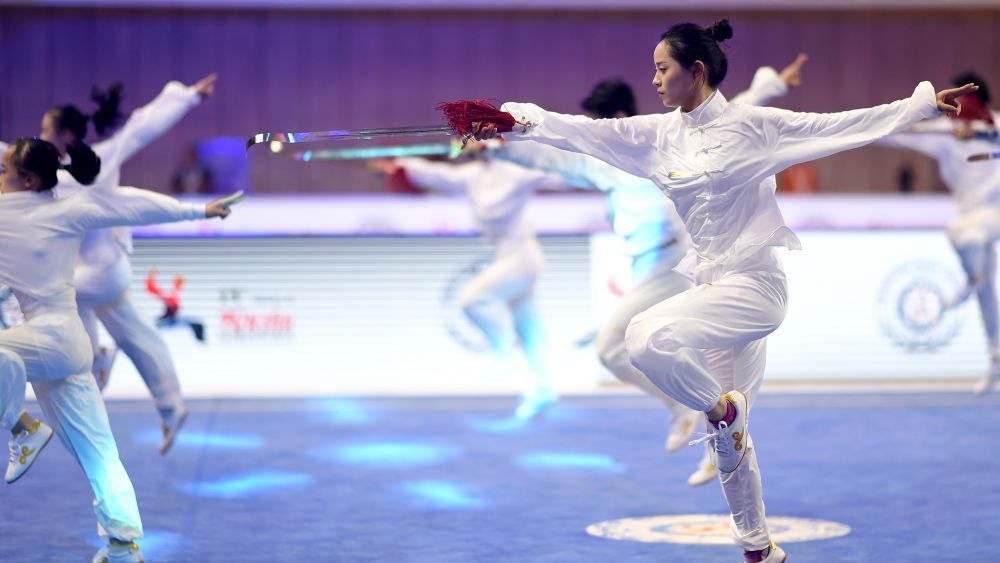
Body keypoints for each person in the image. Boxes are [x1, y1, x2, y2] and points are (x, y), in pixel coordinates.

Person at [463, 19, 973, 562]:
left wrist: (919, 106)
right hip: (710, 288)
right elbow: (578, 133)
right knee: (728, 443)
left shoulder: (756, 126)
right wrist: (512, 122)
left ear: (696, 71)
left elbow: (842, 126)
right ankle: (758, 546)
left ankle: (717, 410)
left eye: (662, 69)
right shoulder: (654, 136)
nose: (654, 80)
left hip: (757, 286)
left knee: (644, 338)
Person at [489, 54, 807, 487]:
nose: (592, 129)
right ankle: (714, 434)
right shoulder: (605, 162)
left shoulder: (656, 142)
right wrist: (500, 141)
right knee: (677, 357)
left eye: (596, 121)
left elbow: (736, 112)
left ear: (616, 116)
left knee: (611, 347)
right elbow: (554, 158)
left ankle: (688, 411)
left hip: (674, 262)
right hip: (648, 269)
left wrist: (772, 84)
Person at [0, 136, 235, 563]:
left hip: (49, 341)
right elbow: (129, 205)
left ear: (28, 179)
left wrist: (197, 210)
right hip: (68, 343)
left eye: (3, 171)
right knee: (99, 453)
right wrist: (198, 210)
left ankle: (21, 428)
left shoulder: (7, 213)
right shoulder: (66, 208)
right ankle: (123, 546)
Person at [370, 155, 564, 419]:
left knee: (474, 299)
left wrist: (596, 164)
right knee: (530, 328)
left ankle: (503, 350)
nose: (466, 142)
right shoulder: (475, 174)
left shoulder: (518, 169)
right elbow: (439, 174)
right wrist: (401, 165)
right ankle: (542, 389)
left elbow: (558, 172)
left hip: (522, 257)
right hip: (505, 254)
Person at [877, 71, 1000, 395]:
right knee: (986, 290)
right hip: (971, 216)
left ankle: (970, 280)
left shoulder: (995, 125)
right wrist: (860, 129)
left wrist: (987, 135)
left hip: (995, 214)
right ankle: (996, 356)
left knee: (964, 235)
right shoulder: (944, 131)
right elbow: (903, 133)